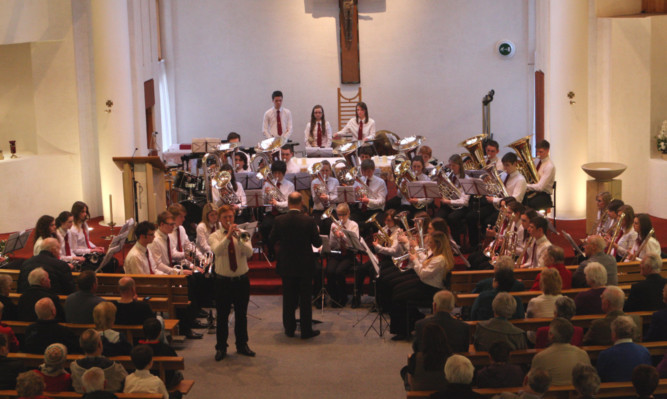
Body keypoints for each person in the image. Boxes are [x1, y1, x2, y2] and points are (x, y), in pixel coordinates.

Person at [123, 221, 201, 340]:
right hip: (144, 290)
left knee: (183, 284)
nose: (154, 237)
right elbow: (141, 281)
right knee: (178, 292)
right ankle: (185, 328)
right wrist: (165, 282)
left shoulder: (145, 249)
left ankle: (187, 324)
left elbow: (154, 269)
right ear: (142, 236)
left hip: (153, 284)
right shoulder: (135, 256)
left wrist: (174, 274)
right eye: (151, 235)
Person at [270, 192, 322, 339]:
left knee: (288, 299)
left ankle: (289, 329)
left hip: (286, 264)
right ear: (301, 204)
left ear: (288, 203)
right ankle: (306, 331)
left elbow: (271, 239)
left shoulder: (279, 220)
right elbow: (317, 243)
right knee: (305, 300)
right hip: (305, 265)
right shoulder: (308, 221)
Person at [208, 205, 255, 360]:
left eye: (230, 217)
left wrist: (238, 238)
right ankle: (221, 347)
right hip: (223, 282)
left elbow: (249, 253)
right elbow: (217, 251)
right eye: (225, 218)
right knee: (222, 316)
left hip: (241, 280)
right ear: (219, 220)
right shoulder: (215, 236)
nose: (228, 220)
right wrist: (227, 237)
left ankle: (242, 345)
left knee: (242, 315)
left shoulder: (243, 233)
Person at [390, 231, 453, 340]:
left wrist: (414, 261)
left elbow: (423, 274)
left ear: (438, 244)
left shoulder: (440, 260)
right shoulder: (436, 255)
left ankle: (404, 330)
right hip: (425, 284)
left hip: (431, 289)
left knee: (398, 298)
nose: (429, 244)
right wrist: (416, 255)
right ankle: (414, 318)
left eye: (431, 242)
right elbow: (425, 265)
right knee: (396, 290)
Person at [530, 318, 592, 385]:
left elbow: (532, 383)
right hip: (577, 393)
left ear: (551, 335)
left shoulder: (540, 357)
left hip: (550, 394)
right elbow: (589, 380)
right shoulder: (583, 354)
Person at [70, 329, 128, 393]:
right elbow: (126, 381)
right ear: (100, 344)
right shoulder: (115, 367)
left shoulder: (74, 367)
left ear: (81, 345)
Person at [596, 316, 651, 382]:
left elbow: (600, 379)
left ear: (614, 334)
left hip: (614, 391)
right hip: (639, 390)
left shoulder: (605, 355)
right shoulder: (644, 351)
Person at [259, 160, 294, 261]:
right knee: (265, 226)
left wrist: (277, 203)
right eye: (275, 173)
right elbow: (263, 202)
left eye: (279, 173)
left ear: (283, 173)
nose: (277, 175)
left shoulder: (289, 185)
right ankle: (270, 250)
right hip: (272, 212)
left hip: (284, 212)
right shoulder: (267, 184)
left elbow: (289, 202)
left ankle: (286, 252)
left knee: (286, 227)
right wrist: (265, 195)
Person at [137, 317, 183, 389]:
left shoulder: (138, 349)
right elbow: (175, 365)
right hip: (167, 380)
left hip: (142, 380)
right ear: (159, 333)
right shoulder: (167, 349)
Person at [404, 324, 451, 392]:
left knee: (406, 372)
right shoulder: (451, 359)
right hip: (443, 393)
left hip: (420, 393)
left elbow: (411, 381)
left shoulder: (416, 357)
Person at [435, 154, 469, 245]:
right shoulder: (448, 176)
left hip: (461, 207)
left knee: (452, 218)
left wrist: (448, 201)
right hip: (449, 204)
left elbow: (465, 201)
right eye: (450, 165)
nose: (451, 168)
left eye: (454, 165)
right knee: (438, 218)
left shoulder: (466, 179)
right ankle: (441, 243)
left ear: (460, 166)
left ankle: (456, 244)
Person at [523, 140, 555, 211]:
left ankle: (533, 221)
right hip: (534, 192)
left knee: (528, 203)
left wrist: (525, 185)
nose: (538, 154)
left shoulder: (549, 166)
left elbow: (540, 187)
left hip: (544, 195)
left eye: (541, 152)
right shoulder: (537, 161)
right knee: (518, 199)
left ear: (547, 151)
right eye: (537, 151)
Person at [310, 160, 338, 234]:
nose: (325, 173)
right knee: (317, 226)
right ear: (319, 171)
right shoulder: (314, 182)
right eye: (322, 171)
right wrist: (317, 194)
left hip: (331, 210)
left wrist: (328, 198)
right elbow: (315, 200)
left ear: (330, 171)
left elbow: (337, 198)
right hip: (318, 210)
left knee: (330, 224)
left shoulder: (335, 181)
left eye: (327, 170)